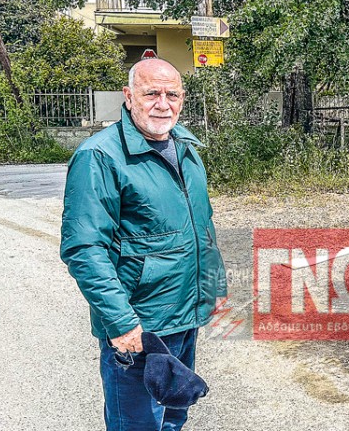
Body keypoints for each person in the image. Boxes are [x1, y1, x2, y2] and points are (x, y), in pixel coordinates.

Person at [60, 56, 226, 431]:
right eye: (151, 93)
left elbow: (202, 225)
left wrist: (212, 285)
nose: (163, 104)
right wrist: (120, 323)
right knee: (137, 423)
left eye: (172, 94)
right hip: (140, 328)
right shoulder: (99, 156)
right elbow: (84, 249)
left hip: (183, 317)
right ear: (129, 96)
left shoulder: (185, 146)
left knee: (174, 413)